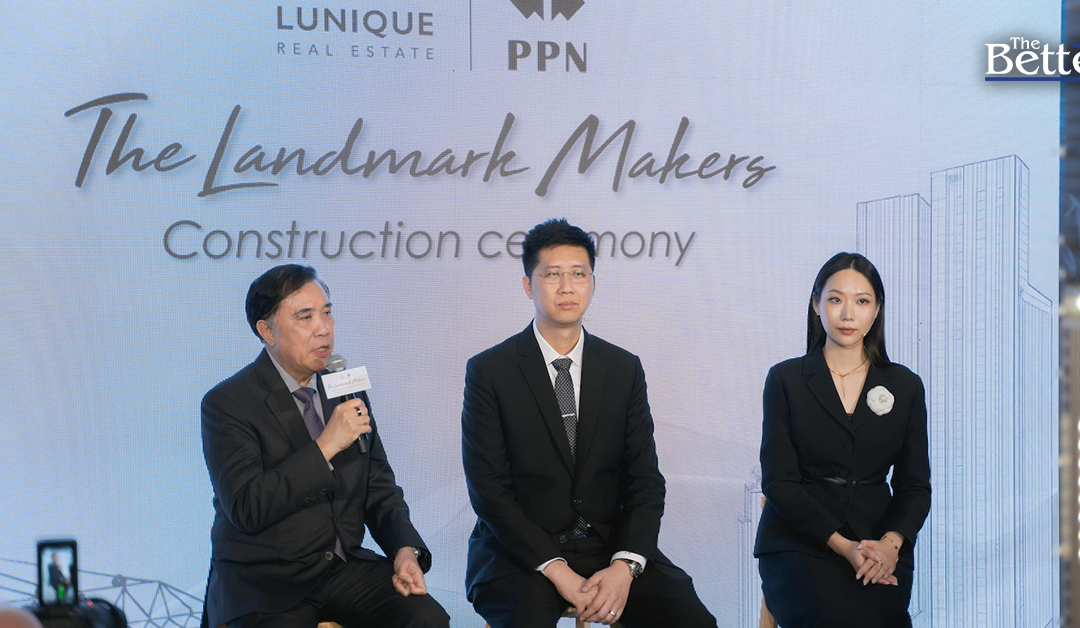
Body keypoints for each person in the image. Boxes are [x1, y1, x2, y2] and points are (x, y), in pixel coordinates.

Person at [461, 218, 717, 628]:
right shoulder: (490, 371)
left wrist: (624, 566)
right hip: (520, 554)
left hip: (608, 547)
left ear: (593, 284)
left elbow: (645, 481)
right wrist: (556, 569)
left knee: (691, 620)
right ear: (528, 285)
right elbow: (489, 491)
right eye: (552, 275)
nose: (567, 287)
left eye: (578, 274)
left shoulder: (622, 369)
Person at [201, 264, 449, 628]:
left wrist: (403, 549)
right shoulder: (228, 402)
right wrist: (324, 447)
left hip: (341, 567)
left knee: (426, 619)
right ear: (267, 331)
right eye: (305, 317)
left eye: (327, 313)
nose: (324, 328)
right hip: (265, 580)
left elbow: (378, 485)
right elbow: (247, 507)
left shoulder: (344, 388)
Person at [754, 252, 931, 627]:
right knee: (828, 614)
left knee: (882, 616)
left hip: (877, 541)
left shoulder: (906, 386)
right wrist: (844, 546)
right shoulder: (785, 380)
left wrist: (890, 545)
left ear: (877, 309)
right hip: (798, 540)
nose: (848, 314)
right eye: (835, 299)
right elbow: (779, 482)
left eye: (862, 301)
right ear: (816, 304)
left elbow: (915, 486)